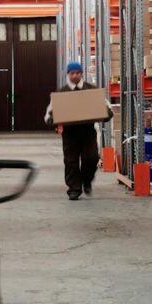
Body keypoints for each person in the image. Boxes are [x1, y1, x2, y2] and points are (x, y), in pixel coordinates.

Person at [44, 62, 108, 201]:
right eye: (72, 73)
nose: (75, 75)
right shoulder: (62, 93)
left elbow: (106, 108)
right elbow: (49, 114)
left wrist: (106, 113)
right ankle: (74, 189)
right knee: (71, 162)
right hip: (70, 134)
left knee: (91, 158)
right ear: (68, 74)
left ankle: (86, 181)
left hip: (88, 132)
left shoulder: (91, 90)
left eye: (77, 73)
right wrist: (52, 120)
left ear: (81, 74)